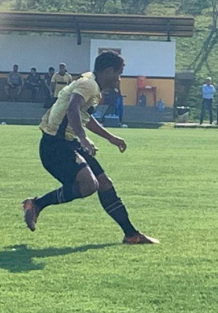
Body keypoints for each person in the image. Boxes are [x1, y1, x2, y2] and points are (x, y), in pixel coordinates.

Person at [21, 50, 158, 245]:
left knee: (104, 183)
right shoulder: (89, 84)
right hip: (55, 146)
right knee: (88, 186)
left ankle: (131, 234)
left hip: (68, 143)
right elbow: (73, 108)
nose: (118, 79)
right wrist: (83, 137)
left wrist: (110, 137)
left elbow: (84, 114)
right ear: (109, 71)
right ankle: (36, 204)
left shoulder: (90, 82)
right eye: (118, 74)